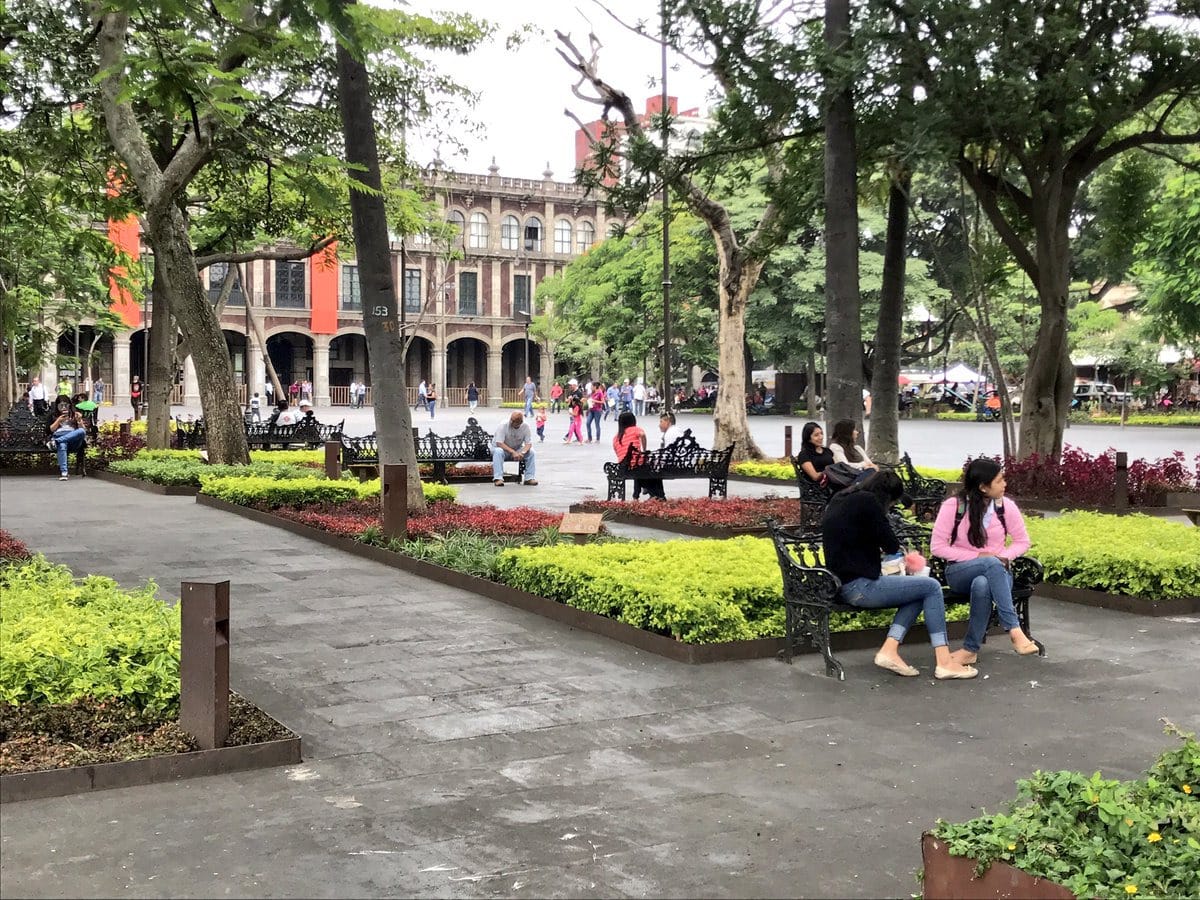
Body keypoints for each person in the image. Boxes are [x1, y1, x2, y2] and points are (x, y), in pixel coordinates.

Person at [822, 471, 977, 680]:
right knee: (931, 586)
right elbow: (891, 544)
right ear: (887, 497)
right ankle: (944, 662)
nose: (891, 507)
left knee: (918, 591)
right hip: (860, 586)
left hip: (843, 584)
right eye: (893, 503)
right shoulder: (868, 502)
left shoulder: (842, 498)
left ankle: (890, 650)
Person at [931, 459, 1038, 664]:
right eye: (999, 481)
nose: (1004, 484)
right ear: (983, 487)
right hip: (960, 571)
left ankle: (970, 650)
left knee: (983, 583)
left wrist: (1003, 556)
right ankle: (1014, 629)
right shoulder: (954, 506)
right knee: (990, 563)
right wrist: (978, 557)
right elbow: (938, 547)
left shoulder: (1006, 507)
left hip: (998, 573)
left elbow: (1022, 541)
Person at [614, 411, 663, 500]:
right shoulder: (635, 429)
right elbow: (642, 434)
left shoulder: (616, 437)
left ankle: (637, 495)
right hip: (636, 464)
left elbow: (617, 452)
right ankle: (655, 494)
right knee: (651, 468)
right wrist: (644, 449)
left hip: (623, 466)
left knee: (639, 470)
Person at [46, 398, 87, 481]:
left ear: (70, 405)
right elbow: (50, 430)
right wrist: (58, 420)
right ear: (57, 406)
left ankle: (56, 442)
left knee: (82, 431)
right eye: (61, 405)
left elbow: (83, 430)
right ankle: (64, 473)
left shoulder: (75, 414)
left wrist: (79, 420)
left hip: (73, 440)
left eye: (66, 405)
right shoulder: (53, 415)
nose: (64, 407)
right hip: (59, 435)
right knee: (62, 445)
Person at [492, 411, 537, 486]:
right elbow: (499, 443)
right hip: (502, 449)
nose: (511, 422)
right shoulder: (503, 425)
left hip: (517, 449)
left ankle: (529, 478)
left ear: (520, 422)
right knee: (498, 451)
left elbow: (528, 443)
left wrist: (522, 453)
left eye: (514, 421)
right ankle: (498, 478)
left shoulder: (525, 426)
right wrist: (513, 452)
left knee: (531, 452)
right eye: (511, 420)